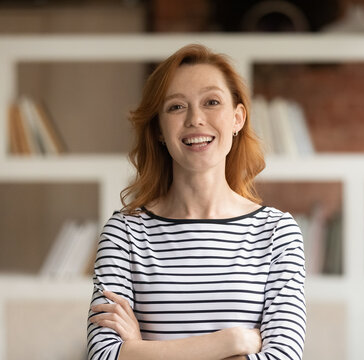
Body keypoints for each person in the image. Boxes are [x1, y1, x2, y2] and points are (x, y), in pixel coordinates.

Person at [87, 43, 306, 360]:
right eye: (176, 107)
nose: (195, 119)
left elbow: (283, 357)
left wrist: (140, 351)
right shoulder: (124, 234)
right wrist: (231, 342)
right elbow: (102, 356)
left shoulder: (277, 234)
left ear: (237, 118)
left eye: (212, 102)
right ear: (160, 129)